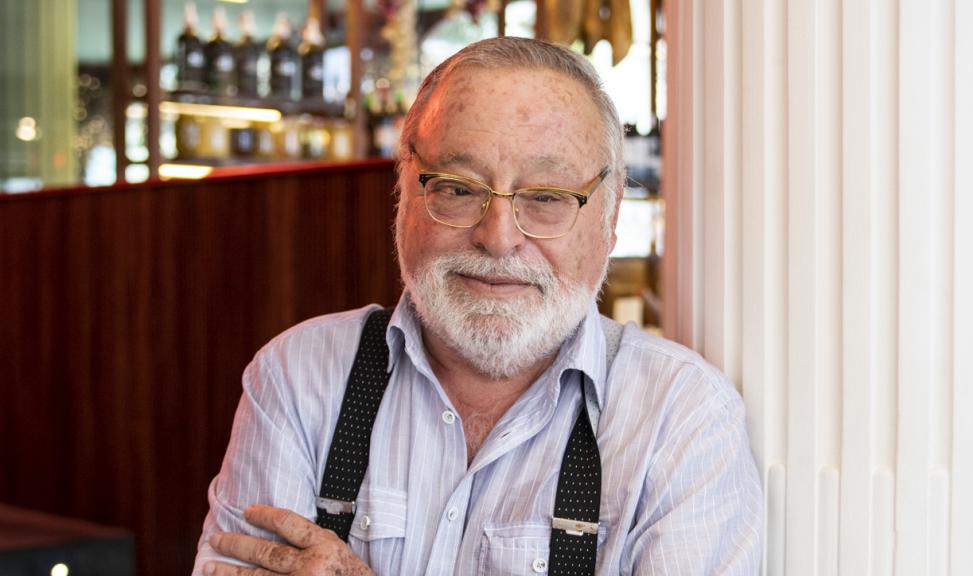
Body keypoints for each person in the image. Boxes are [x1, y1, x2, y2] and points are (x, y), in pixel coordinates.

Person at [194, 37, 763, 576]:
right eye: (459, 188)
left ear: (610, 221)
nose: (498, 237)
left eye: (546, 197)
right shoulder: (298, 378)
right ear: (404, 197)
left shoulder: (682, 419)